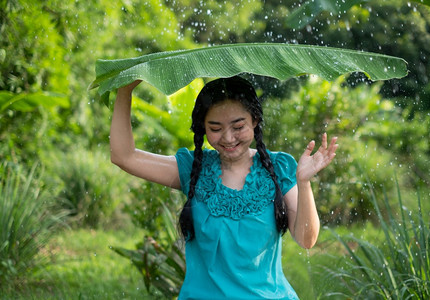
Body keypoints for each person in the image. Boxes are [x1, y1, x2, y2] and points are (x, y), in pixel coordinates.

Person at [110, 75, 338, 299]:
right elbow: (124, 156)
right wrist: (125, 90)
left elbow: (306, 240)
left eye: (238, 126)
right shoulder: (192, 169)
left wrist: (304, 182)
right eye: (216, 128)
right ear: (203, 128)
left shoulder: (278, 168)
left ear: (255, 120)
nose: (228, 138)